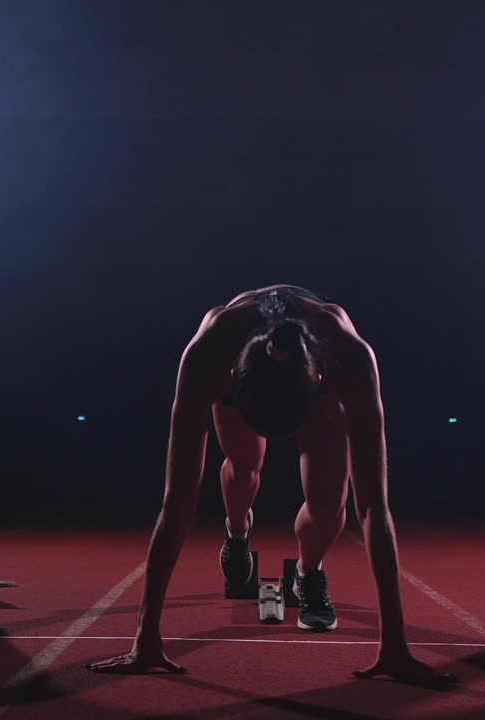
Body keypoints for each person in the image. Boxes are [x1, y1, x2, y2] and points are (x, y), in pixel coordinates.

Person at [85, 285, 452, 686]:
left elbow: (373, 508)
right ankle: (237, 531)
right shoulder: (209, 356)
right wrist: (146, 638)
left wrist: (394, 645)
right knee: (244, 469)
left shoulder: (349, 357)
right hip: (248, 375)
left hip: (311, 383)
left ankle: (309, 573)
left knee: (330, 505)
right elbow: (177, 503)